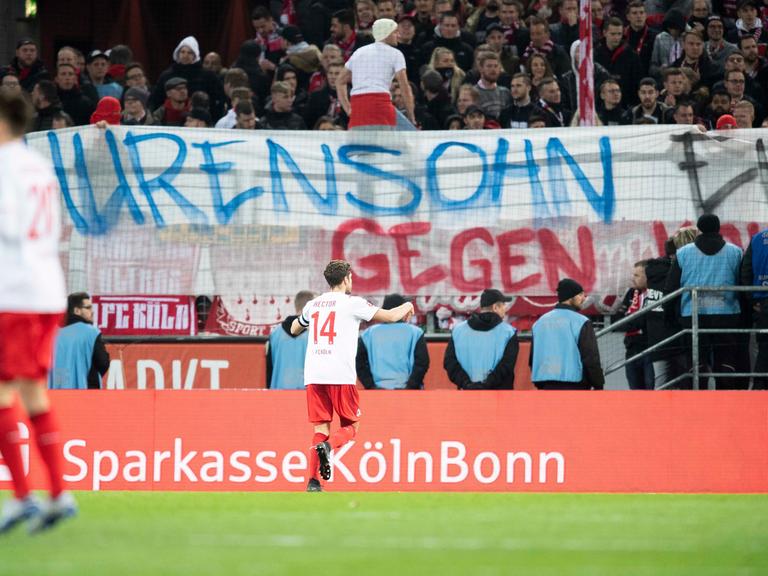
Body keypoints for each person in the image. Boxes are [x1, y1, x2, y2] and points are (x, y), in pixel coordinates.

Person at [0, 92, 76, 533]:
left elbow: (10, 225)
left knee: (5, 395)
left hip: (15, 293)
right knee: (32, 395)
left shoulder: (6, 166)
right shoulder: (38, 165)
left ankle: (25, 497)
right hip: (46, 290)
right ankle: (56, 494)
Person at [290, 260, 414, 492]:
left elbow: (295, 329)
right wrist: (406, 306)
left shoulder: (313, 304)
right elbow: (389, 316)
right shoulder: (353, 303)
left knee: (320, 429)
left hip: (315, 374)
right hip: (340, 373)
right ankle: (328, 448)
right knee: (352, 425)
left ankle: (313, 482)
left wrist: (296, 324)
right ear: (346, 279)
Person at [665, 214, 746, 389]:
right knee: (726, 361)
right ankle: (726, 402)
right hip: (727, 314)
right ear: (718, 228)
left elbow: (671, 288)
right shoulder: (735, 252)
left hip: (692, 314)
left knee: (696, 363)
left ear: (699, 229)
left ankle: (698, 403)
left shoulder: (683, 253)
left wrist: (671, 316)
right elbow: (742, 283)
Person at [338, 18, 415, 130]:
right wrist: (411, 117)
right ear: (386, 33)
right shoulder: (395, 54)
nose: (398, 35)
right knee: (411, 135)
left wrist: (348, 109)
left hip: (357, 109)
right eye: (395, 32)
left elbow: (339, 81)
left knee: (361, 147)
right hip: (380, 107)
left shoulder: (358, 52)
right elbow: (404, 87)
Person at [530, 279, 605, 390]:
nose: (584, 298)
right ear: (570, 297)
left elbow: (533, 357)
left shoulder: (539, 322)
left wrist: (540, 383)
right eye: (580, 295)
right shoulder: (581, 322)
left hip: (545, 384)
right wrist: (598, 384)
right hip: (575, 385)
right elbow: (591, 358)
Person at [443, 289, 519, 389]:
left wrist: (467, 384)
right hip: (499, 398)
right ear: (495, 307)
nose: (505, 309)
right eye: (503, 305)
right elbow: (506, 366)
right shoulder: (509, 333)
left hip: (466, 395)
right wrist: (486, 385)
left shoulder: (458, 331)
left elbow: (450, 363)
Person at [356, 294, 429, 390]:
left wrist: (371, 386)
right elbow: (422, 362)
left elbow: (360, 363)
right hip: (409, 392)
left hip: (377, 392)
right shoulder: (415, 333)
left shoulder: (368, 334)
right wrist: (411, 386)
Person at [49, 293, 110, 390]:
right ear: (77, 311)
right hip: (87, 391)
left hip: (59, 390)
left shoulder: (54, 333)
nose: (92, 311)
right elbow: (103, 363)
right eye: (88, 308)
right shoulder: (91, 332)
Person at [266, 290, 315, 390]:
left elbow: (269, 369)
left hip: (278, 393)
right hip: (306, 394)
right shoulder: (314, 335)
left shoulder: (275, 334)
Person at [616, 261, 654, 389]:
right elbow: (617, 320)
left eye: (637, 275)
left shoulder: (654, 294)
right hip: (631, 349)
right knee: (635, 392)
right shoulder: (631, 293)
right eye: (633, 275)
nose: (633, 279)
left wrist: (632, 322)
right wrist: (635, 323)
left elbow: (646, 321)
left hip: (649, 350)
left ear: (647, 276)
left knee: (651, 390)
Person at [740, 226, 768, 389]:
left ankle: (759, 387)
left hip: (763, 304)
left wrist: (752, 300)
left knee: (764, 347)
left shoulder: (757, 239)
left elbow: (746, 271)